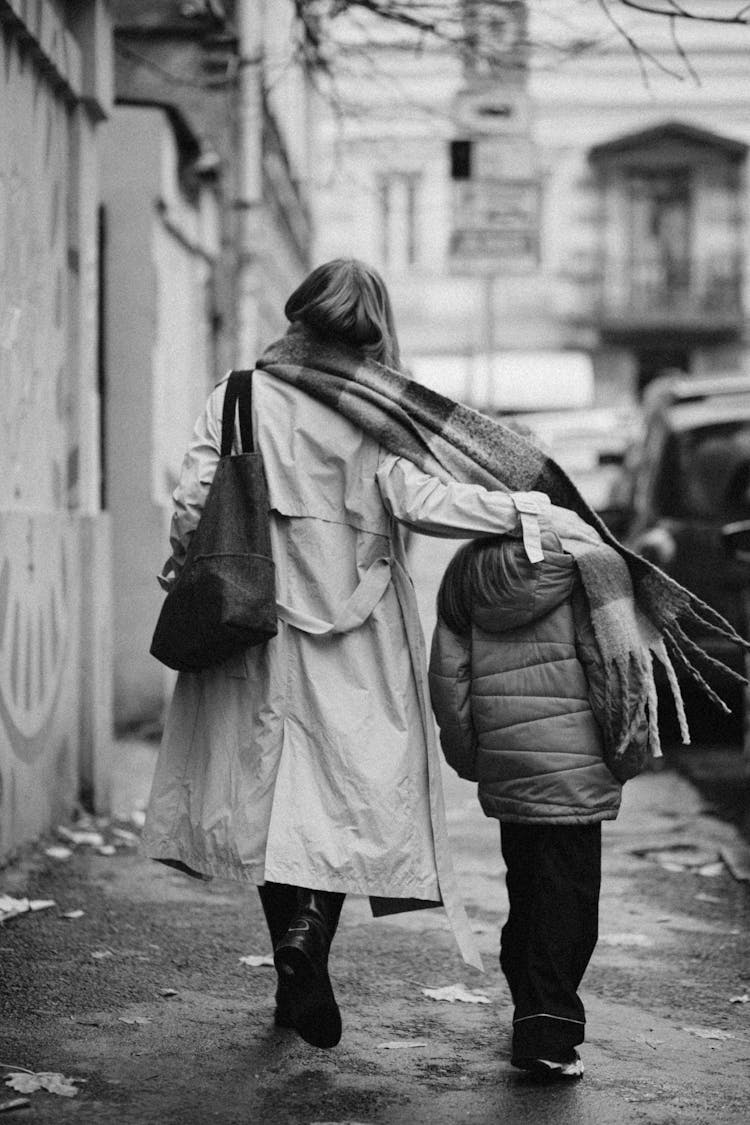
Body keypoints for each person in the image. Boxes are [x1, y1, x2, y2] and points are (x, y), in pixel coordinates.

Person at [142, 258, 597, 1051]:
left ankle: (298, 951)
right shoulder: (376, 407)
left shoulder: (241, 393)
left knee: (271, 796)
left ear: (299, 314)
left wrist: (194, 565)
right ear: (376, 325)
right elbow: (424, 499)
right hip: (357, 634)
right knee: (336, 800)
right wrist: (528, 507)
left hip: (254, 625)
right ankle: (313, 931)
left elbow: (191, 509)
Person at [428, 530, 647, 1082]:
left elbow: (448, 681)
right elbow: (612, 669)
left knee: (527, 895)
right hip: (575, 770)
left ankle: (531, 1013)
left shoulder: (466, 573)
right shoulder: (586, 569)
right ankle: (546, 1029)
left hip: (509, 764)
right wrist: (626, 755)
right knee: (568, 902)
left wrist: (474, 759)